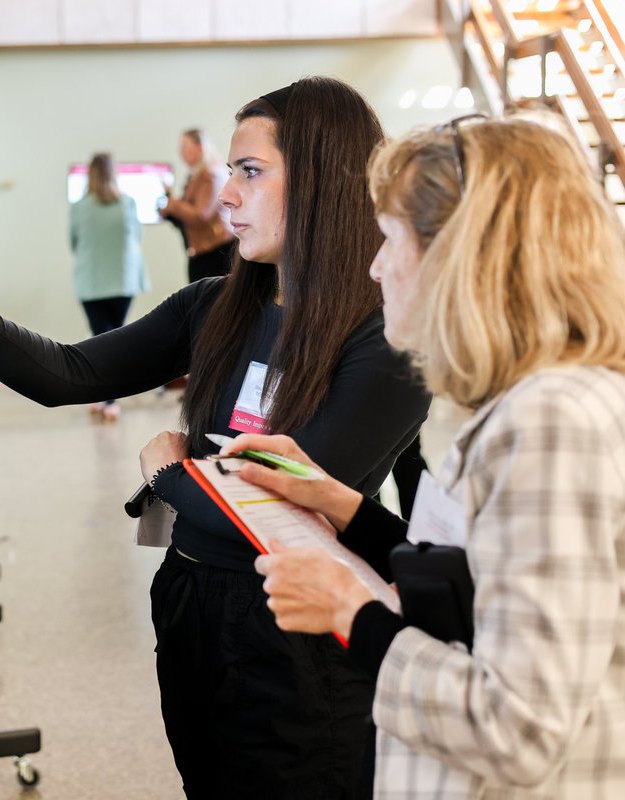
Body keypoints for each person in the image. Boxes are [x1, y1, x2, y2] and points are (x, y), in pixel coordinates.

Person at [0, 77, 431, 798]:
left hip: (299, 630)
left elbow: (291, 514)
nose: (226, 198)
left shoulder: (385, 335)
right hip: (191, 608)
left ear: (319, 180)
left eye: (250, 173)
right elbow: (69, 371)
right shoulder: (214, 306)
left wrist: (170, 472)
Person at [237, 114, 625, 797]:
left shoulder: (548, 423)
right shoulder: (532, 403)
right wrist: (345, 507)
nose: (375, 266)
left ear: (465, 259)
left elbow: (518, 729)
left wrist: (350, 614)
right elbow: (481, 586)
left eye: (391, 240)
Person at [70, 152, 150, 421]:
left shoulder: (80, 207)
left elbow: (73, 243)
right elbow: (136, 239)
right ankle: (110, 400)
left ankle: (104, 397)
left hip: (92, 283)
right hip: (123, 281)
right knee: (116, 336)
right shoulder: (128, 204)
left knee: (99, 339)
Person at [159, 127, 235, 282]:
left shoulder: (211, 175)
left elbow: (201, 214)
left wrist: (173, 204)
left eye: (185, 146)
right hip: (202, 251)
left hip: (216, 251)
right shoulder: (197, 176)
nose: (181, 152)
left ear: (200, 147)